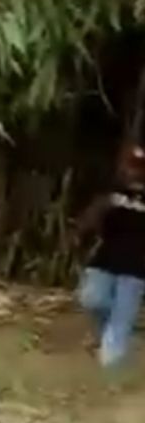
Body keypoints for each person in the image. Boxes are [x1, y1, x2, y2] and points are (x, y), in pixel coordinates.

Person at [76, 139, 145, 367]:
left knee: (121, 319)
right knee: (90, 299)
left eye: (139, 166)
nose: (134, 171)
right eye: (132, 166)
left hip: (137, 268)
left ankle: (110, 371)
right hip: (105, 260)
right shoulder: (110, 191)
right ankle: (109, 340)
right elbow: (90, 219)